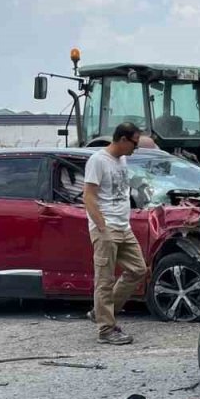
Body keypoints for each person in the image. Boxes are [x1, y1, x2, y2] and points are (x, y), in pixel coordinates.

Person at [83, 122, 148, 344]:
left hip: (123, 226)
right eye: (134, 143)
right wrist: (102, 227)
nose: (135, 148)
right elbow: (88, 196)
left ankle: (100, 312)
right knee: (105, 279)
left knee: (138, 270)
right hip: (106, 227)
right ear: (122, 139)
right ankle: (106, 329)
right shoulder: (98, 161)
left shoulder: (122, 159)